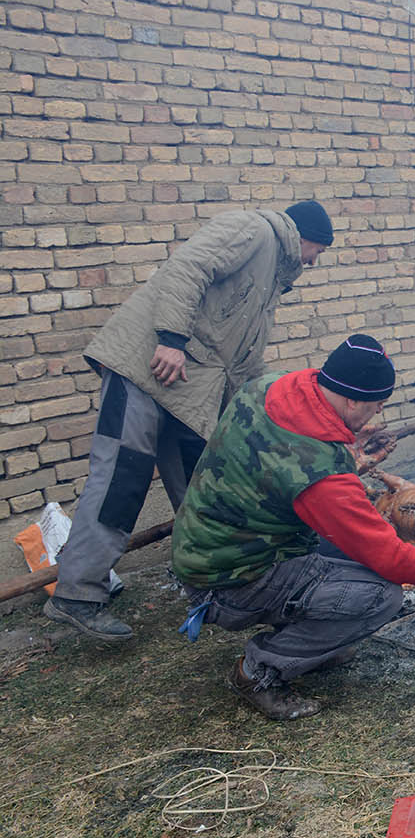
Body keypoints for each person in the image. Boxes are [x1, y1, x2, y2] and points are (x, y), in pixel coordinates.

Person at [170, 335, 415, 721]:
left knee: (351, 553)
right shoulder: (320, 473)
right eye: (377, 404)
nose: (379, 411)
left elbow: (286, 457)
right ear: (352, 400)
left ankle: (317, 640)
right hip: (232, 579)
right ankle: (259, 671)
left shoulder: (269, 387)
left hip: (207, 546)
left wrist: (345, 440)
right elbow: (388, 556)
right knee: (382, 596)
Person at [45, 200, 335, 642]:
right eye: (319, 250)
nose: (315, 262)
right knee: (121, 482)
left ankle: (213, 585)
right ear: (304, 236)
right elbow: (188, 267)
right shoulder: (253, 230)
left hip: (190, 393)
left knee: (203, 490)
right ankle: (76, 596)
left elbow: (244, 363)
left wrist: (265, 414)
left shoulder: (273, 278)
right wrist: (170, 339)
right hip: (145, 369)